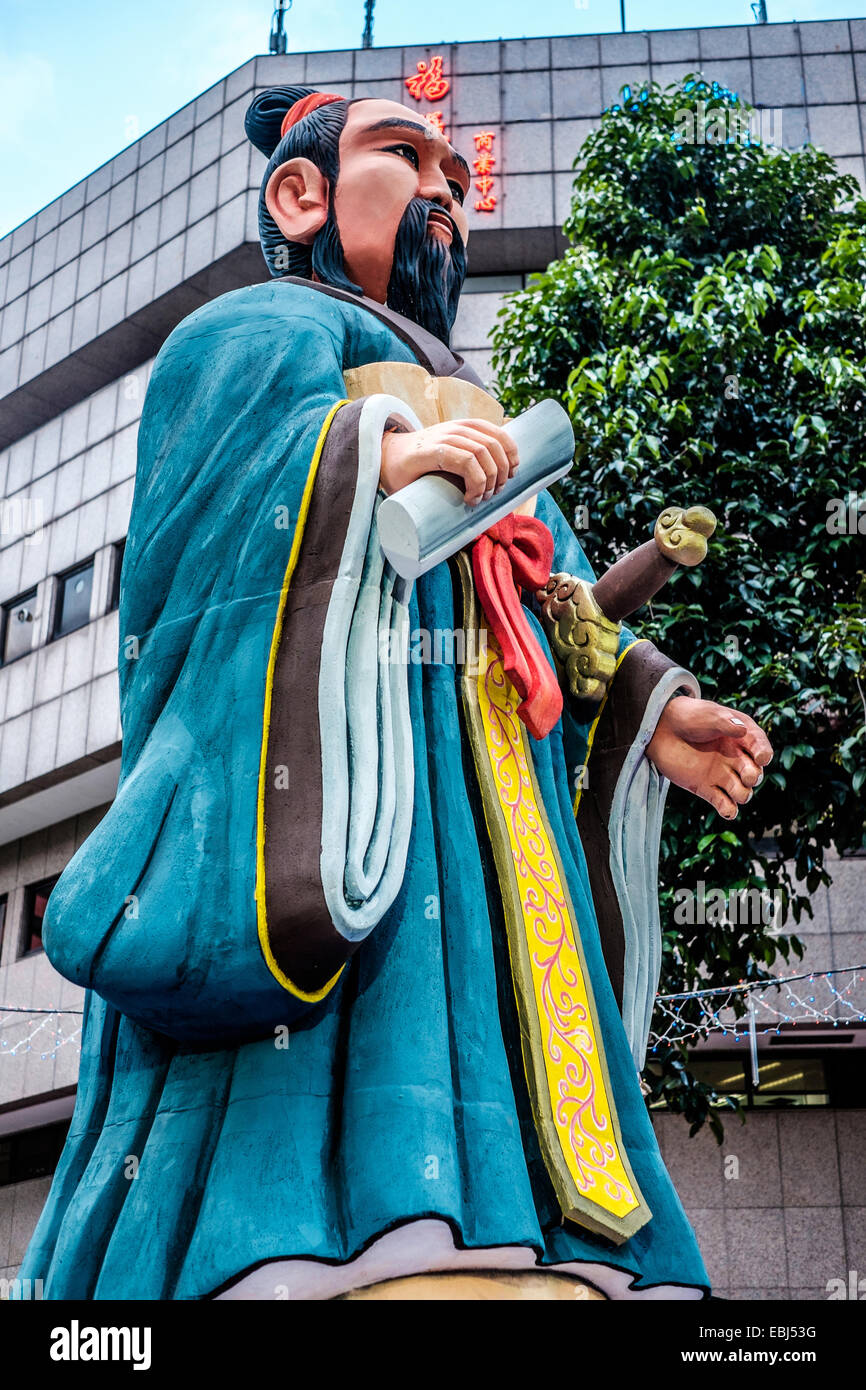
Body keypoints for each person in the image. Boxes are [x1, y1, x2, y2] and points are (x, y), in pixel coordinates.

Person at [21, 86, 771, 1301]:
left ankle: (522, 1225)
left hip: (496, 800)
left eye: (454, 180)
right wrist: (366, 447)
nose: (442, 191)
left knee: (502, 1017)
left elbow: (554, 597)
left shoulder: (485, 410)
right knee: (357, 1031)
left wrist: (652, 705)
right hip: (352, 788)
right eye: (404, 156)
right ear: (301, 194)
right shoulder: (254, 331)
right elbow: (196, 537)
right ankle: (298, 1231)